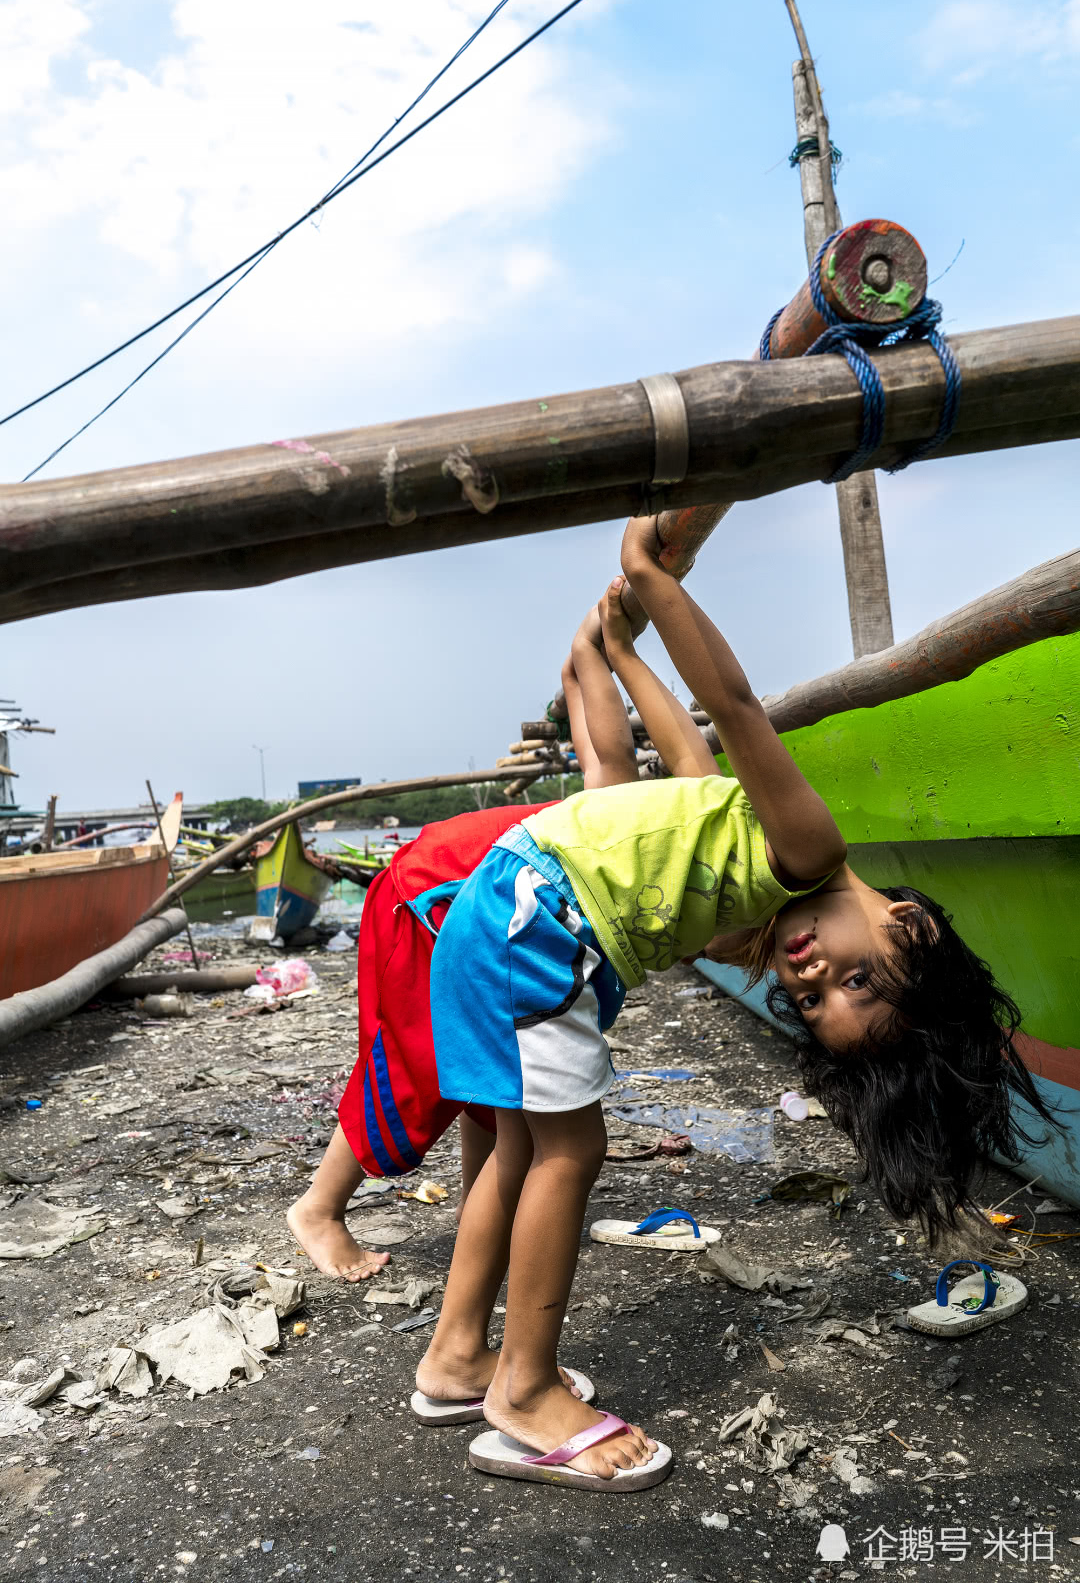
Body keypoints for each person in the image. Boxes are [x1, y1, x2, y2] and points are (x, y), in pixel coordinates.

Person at [415, 516, 1058, 1490]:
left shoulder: (746, 866)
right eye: (855, 977)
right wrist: (654, 585)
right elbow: (733, 705)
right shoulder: (803, 843)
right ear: (915, 929)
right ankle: (525, 1387)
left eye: (814, 1001)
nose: (810, 978)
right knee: (569, 1151)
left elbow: (663, 759)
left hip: (510, 913)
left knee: (518, 1151)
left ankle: (458, 1359)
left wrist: (614, 654)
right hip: (534, 919)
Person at [286, 601, 638, 1285]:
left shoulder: (611, 809)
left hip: (461, 896)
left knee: (493, 1076)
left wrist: (580, 662)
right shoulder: (621, 819)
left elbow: (601, 752)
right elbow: (611, 757)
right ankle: (319, 1207)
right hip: (431, 895)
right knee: (418, 1069)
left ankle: (485, 1217)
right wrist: (597, 653)